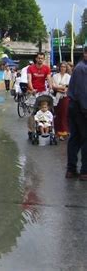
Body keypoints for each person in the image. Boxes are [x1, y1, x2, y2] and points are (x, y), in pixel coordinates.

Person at [65, 46, 87, 180]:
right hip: (80, 108)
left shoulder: (80, 68)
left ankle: (71, 169)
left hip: (76, 106)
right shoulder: (82, 69)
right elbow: (82, 93)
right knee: (84, 139)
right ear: (85, 53)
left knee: (76, 138)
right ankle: (84, 171)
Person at [52, 61, 71, 140]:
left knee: (64, 114)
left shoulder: (68, 76)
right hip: (56, 97)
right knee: (57, 114)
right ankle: (57, 131)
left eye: (64, 67)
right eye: (61, 67)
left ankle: (64, 131)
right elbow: (53, 86)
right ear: (59, 67)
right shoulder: (55, 76)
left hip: (65, 97)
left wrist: (60, 87)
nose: (63, 68)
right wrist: (61, 87)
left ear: (66, 68)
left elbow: (68, 87)